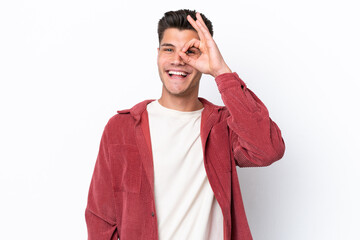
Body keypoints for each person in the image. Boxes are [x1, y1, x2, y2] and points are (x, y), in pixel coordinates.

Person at [85, 9, 285, 240]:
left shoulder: (224, 126)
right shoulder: (122, 128)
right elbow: (101, 218)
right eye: (169, 49)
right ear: (158, 54)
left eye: (191, 51)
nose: (178, 59)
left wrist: (221, 72)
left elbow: (268, 150)